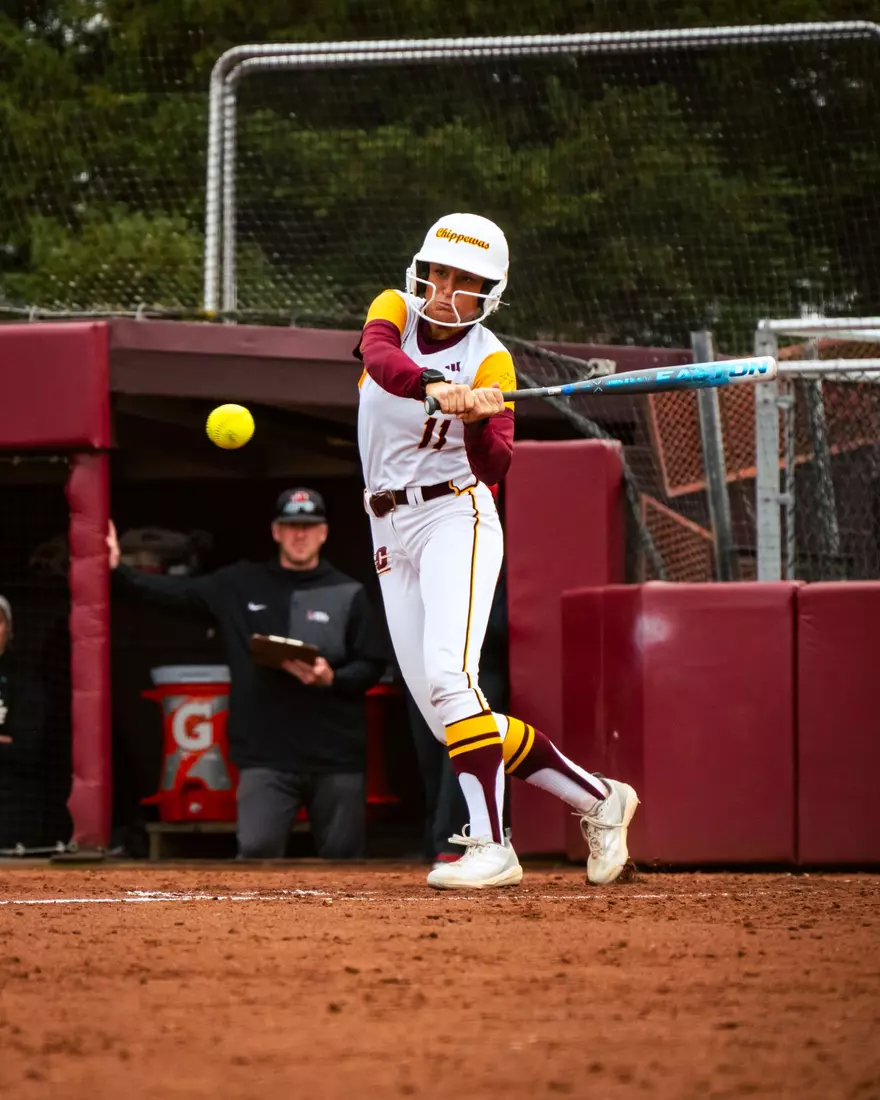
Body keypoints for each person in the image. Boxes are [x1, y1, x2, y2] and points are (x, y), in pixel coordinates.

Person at [355, 212, 639, 890]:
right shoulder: (394, 313)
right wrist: (431, 386)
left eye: (465, 281)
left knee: (453, 682)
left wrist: (480, 418)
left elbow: (495, 465)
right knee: (448, 711)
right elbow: (379, 356)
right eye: (440, 274)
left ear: (489, 293)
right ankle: (600, 800)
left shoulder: (492, 358)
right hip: (388, 530)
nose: (447, 290)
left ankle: (491, 846)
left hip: (457, 516)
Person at [108, 488, 387, 860]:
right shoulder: (240, 584)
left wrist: (331, 678)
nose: (299, 535)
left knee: (343, 861)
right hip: (264, 757)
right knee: (256, 855)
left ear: (323, 532)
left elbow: (371, 665)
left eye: (308, 526)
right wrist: (116, 570)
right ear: (275, 531)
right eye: (290, 526)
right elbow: (171, 593)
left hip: (335, 756)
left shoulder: (347, 592)